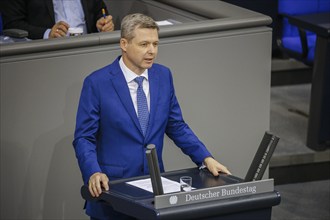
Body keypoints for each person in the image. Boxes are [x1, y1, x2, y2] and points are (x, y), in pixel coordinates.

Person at [73, 13, 231, 220]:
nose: (152, 51)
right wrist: (93, 172)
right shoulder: (97, 83)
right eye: (144, 44)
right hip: (112, 192)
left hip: (155, 192)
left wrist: (205, 158)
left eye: (155, 44)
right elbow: (84, 137)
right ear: (124, 44)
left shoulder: (163, 76)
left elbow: (176, 125)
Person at [0, 0, 114, 40]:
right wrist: (47, 34)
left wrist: (103, 24)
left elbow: (100, 10)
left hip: (88, 48)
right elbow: (13, 23)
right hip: (45, 54)